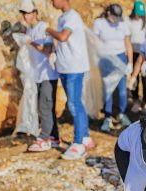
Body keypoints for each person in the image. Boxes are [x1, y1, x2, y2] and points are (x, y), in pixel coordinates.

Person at [46, 0, 94, 160]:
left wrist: (46, 29)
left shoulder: (72, 17)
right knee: (76, 102)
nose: (51, 1)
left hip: (74, 67)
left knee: (74, 104)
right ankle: (85, 137)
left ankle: (78, 143)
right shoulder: (63, 17)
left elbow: (64, 37)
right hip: (65, 66)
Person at [19, 0, 60, 152]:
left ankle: (44, 138)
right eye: (23, 13)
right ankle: (54, 137)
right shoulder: (30, 31)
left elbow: (48, 49)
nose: (25, 16)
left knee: (45, 106)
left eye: (28, 13)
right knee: (46, 107)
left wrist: (32, 43)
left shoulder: (43, 28)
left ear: (35, 13)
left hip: (48, 74)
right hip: (37, 76)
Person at [93, 4, 133, 132]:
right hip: (106, 59)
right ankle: (108, 116)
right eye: (114, 17)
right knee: (107, 89)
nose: (116, 20)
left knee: (122, 89)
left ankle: (121, 113)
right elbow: (94, 42)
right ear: (109, 14)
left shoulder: (123, 24)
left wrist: (130, 62)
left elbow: (128, 43)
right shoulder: (99, 23)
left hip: (121, 58)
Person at [125, 1, 146, 113]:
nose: (139, 15)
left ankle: (145, 102)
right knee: (134, 78)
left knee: (145, 79)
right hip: (133, 52)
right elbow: (127, 38)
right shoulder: (128, 21)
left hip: (144, 53)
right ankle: (135, 100)